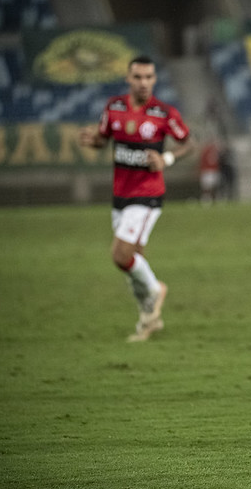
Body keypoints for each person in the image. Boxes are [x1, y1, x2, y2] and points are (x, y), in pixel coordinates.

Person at [80, 55, 195, 342]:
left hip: (147, 195)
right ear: (128, 79)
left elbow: (188, 143)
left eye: (149, 77)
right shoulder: (114, 108)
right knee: (135, 263)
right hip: (120, 195)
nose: (144, 83)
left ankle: (157, 289)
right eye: (138, 77)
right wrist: (90, 139)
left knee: (121, 255)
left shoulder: (163, 113)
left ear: (154, 80)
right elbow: (103, 138)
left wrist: (166, 158)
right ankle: (148, 319)